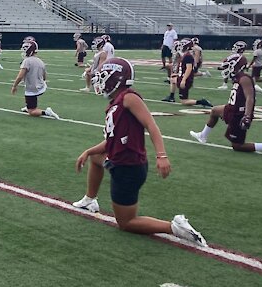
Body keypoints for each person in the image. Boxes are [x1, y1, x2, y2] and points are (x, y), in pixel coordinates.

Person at [72, 58, 207, 247]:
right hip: (120, 159)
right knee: (95, 158)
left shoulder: (128, 97)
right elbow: (110, 141)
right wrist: (88, 151)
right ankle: (90, 200)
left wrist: (162, 155)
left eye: (103, 76)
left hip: (127, 167)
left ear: (116, 78)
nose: (100, 81)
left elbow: (151, 126)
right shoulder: (116, 102)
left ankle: (175, 227)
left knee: (126, 223)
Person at [190, 54, 262, 155]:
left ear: (237, 66)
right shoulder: (238, 77)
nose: (226, 69)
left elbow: (250, 98)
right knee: (215, 111)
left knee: (237, 146)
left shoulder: (244, 78)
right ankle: (203, 135)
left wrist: (247, 116)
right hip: (232, 108)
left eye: (229, 66)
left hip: (239, 113)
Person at [11, 38, 60, 118]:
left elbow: (20, 76)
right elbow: (44, 76)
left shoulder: (27, 61)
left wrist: (14, 86)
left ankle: (46, 112)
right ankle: (28, 106)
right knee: (29, 98)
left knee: (32, 112)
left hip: (33, 89)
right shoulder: (40, 61)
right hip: (41, 86)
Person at [162, 40, 213, 108]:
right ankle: (171, 96)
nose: (180, 46)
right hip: (183, 77)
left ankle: (201, 102)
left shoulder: (188, 56)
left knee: (184, 101)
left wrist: (183, 80)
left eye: (182, 44)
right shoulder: (185, 55)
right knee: (172, 80)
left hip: (185, 79)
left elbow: (189, 69)